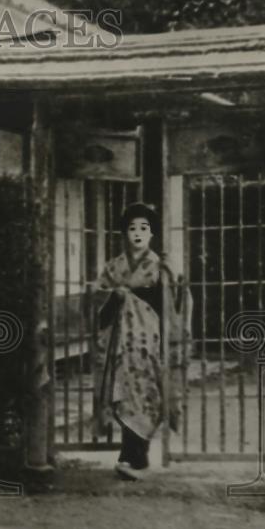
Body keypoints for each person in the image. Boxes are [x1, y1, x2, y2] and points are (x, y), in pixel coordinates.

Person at [93, 203, 189, 480]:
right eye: (132, 228)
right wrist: (115, 296)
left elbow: (174, 303)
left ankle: (138, 456)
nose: (137, 233)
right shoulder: (114, 267)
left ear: (151, 234)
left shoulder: (160, 267)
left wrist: (165, 283)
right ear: (125, 234)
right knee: (125, 396)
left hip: (150, 341)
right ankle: (131, 457)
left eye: (143, 229)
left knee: (149, 395)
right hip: (121, 343)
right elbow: (98, 299)